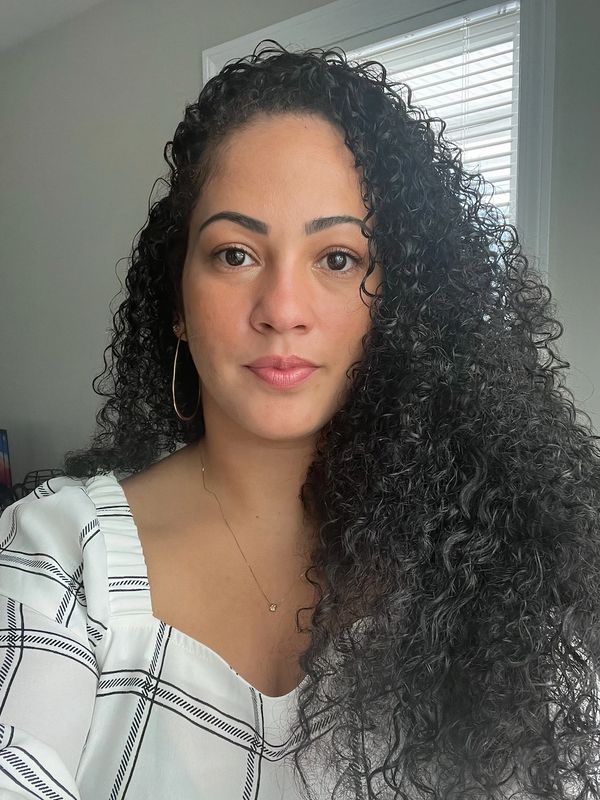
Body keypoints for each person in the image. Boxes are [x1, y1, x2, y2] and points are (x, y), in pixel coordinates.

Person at [1, 40, 600, 800]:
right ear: (177, 303)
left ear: (396, 308)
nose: (283, 310)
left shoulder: (499, 567)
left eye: (338, 259)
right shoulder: (57, 554)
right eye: (235, 254)